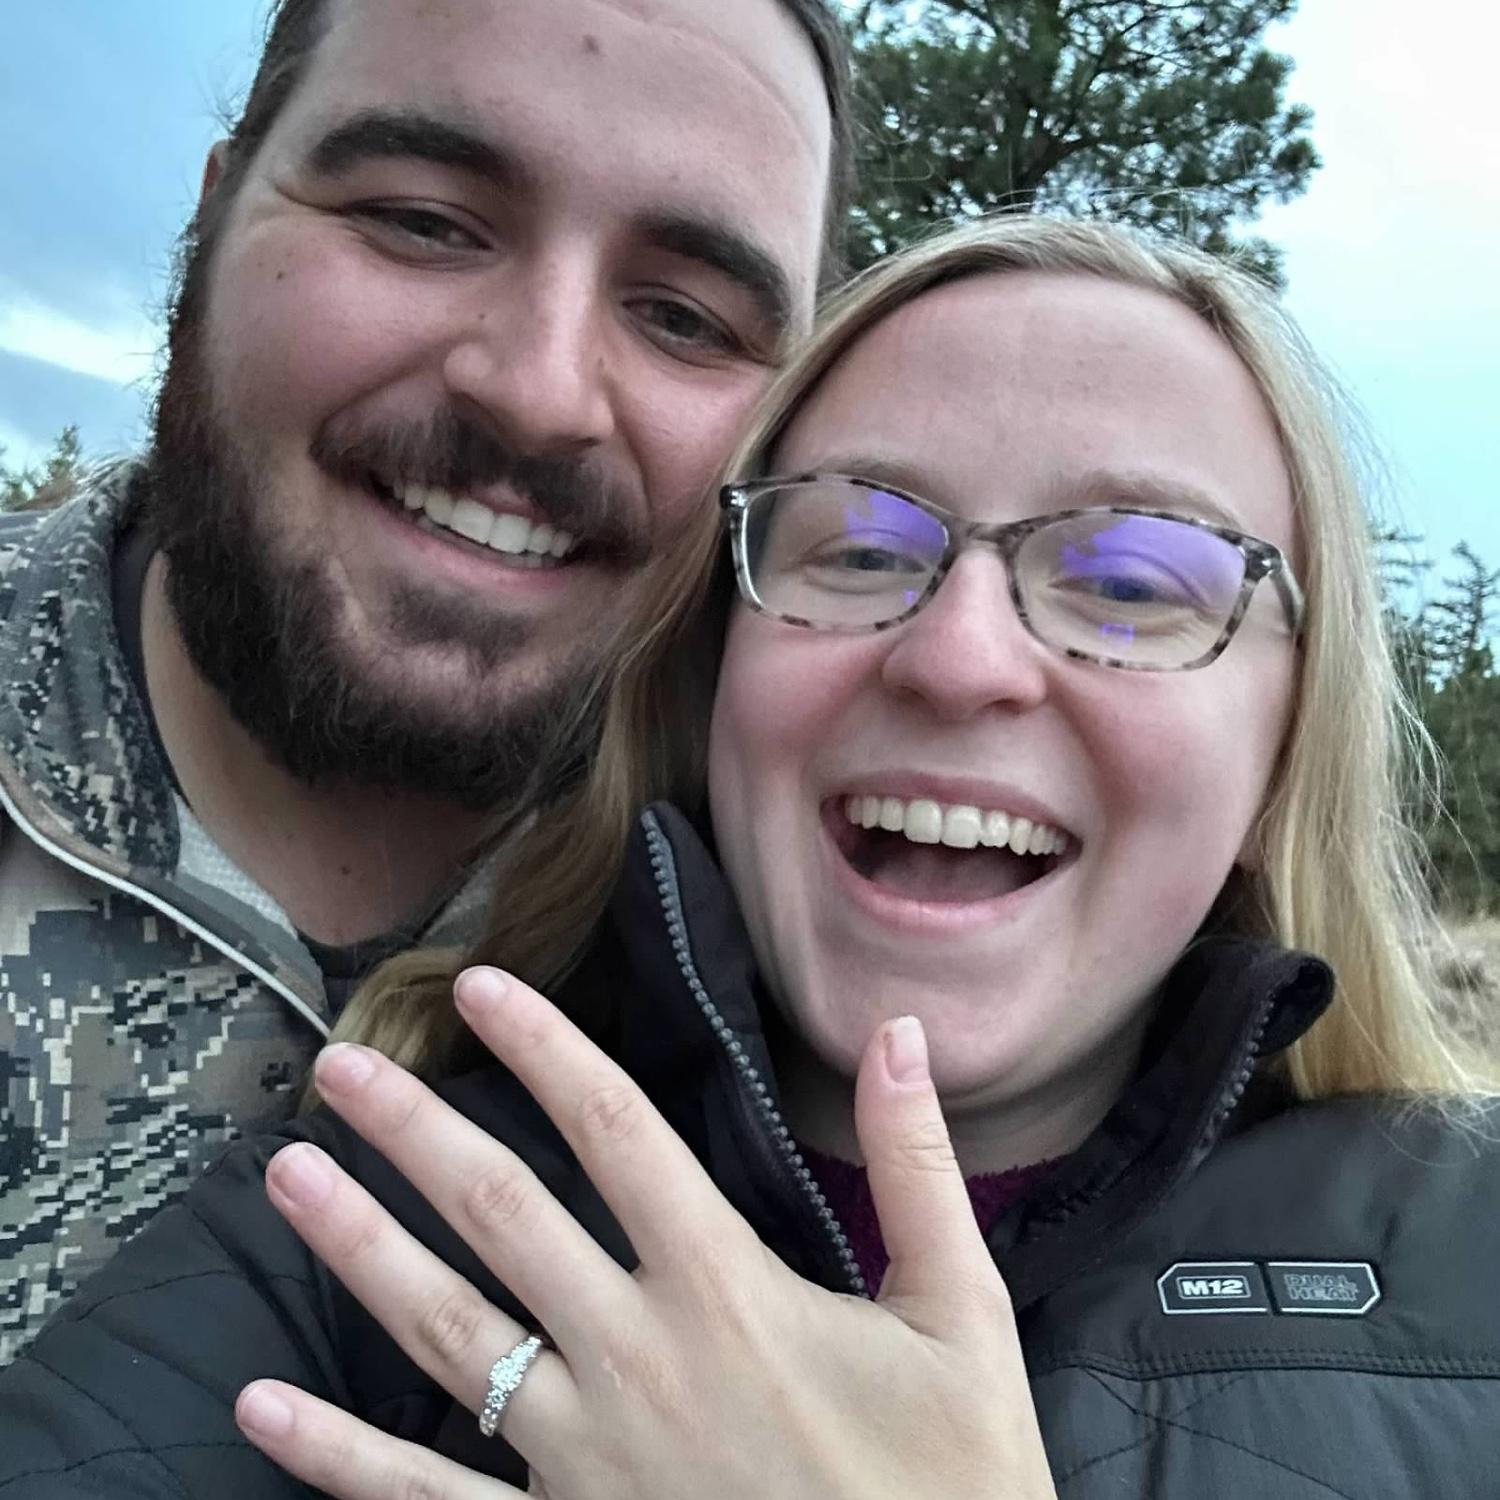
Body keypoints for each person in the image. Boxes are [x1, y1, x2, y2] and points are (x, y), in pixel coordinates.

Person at [4, 215, 1498, 1496]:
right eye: (856, 546)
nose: (961, 656)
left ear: (1284, 748)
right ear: (715, 679)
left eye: (1132, 580)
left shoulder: (1469, 1261)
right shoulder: (384, 1218)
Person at [0, 0, 850, 1360]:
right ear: (214, 220)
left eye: (686, 318)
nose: (538, 391)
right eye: (421, 220)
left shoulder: (841, 948)